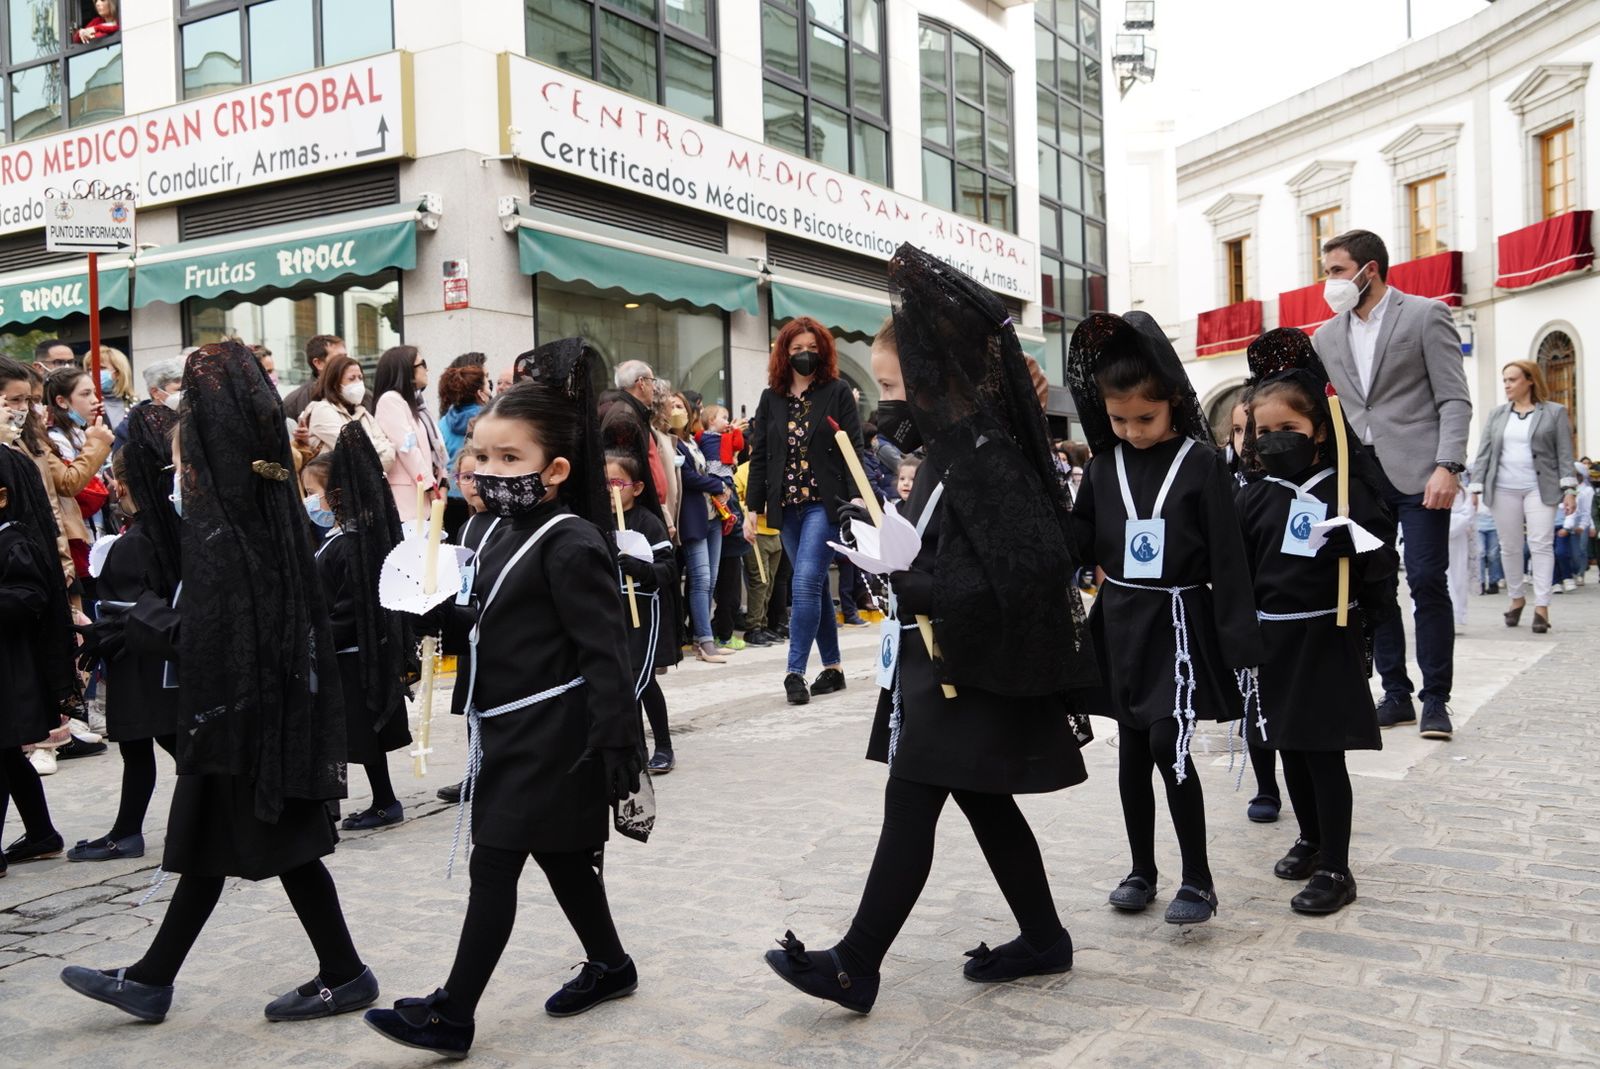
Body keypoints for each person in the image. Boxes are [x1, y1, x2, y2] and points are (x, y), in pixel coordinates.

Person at [764, 248, 1097, 1013]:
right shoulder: (948, 452)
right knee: (982, 801)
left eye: (891, 385)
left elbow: (1030, 562)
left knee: (913, 798)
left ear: (936, 374)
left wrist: (925, 583)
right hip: (945, 661)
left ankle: (856, 963)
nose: (882, 402)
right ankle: (1044, 936)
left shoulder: (985, 454)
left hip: (971, 664)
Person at [61, 341, 376, 1024]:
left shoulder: (232, 528)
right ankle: (152, 978)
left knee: (276, 843)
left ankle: (342, 972)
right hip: (248, 713)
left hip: (252, 717)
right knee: (216, 843)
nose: (179, 473)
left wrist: (147, 622)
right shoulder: (249, 511)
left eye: (183, 458)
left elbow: (230, 634)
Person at [365, 342, 644, 1058]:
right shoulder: (485, 529)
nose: (487, 472)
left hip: (557, 731)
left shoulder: (571, 540)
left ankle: (452, 1013)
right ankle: (611, 964)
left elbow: (607, 653)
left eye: (508, 459)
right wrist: (437, 616)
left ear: (555, 470)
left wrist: (617, 743)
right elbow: (487, 620)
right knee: (557, 858)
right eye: (480, 458)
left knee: (495, 863)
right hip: (505, 726)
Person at [1066, 311, 1261, 925]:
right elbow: (1078, 542)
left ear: (1173, 401)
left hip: (1177, 622)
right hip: (1120, 619)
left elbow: (1228, 559)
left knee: (1165, 744)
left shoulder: (1202, 463)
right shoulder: (1101, 467)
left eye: (1145, 418)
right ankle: (1141, 869)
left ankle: (1198, 878)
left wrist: (1240, 642)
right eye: (1119, 420)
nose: (1133, 431)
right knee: (1129, 752)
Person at [1234, 328, 1399, 914]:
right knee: (1289, 747)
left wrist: (1355, 543)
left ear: (1320, 431)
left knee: (1323, 752)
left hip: (1327, 635)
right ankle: (1309, 836)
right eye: (1266, 431)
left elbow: (1384, 560)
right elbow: (1238, 571)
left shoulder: (1346, 488)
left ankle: (1337, 866)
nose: (1276, 441)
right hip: (1273, 638)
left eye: (1290, 430)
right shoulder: (1254, 495)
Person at [1313, 229, 1471, 741]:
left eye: (1337, 270)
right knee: (1376, 585)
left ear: (1370, 269)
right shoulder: (1326, 336)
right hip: (1361, 476)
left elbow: (1453, 398)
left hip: (1422, 471)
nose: (1330, 282)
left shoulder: (1425, 314)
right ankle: (1396, 693)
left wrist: (1449, 465)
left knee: (1427, 581)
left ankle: (1436, 700)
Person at [66, 404, 182, 862]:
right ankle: (126, 829)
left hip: (141, 658)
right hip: (162, 655)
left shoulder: (136, 542)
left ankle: (132, 831)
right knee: (157, 745)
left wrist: (97, 636)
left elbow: (125, 609)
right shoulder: (172, 530)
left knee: (153, 746)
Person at [743, 316, 865, 705]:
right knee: (811, 585)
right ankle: (834, 668)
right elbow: (760, 455)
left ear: (823, 350)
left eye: (811, 348)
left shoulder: (838, 391)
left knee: (804, 581)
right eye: (796, 349)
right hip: (786, 507)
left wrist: (858, 496)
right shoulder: (771, 398)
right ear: (784, 353)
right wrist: (752, 508)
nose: (804, 355)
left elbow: (853, 447)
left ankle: (794, 671)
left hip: (825, 505)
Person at [302, 425, 417, 831]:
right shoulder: (337, 539)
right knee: (347, 737)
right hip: (337, 652)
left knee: (362, 739)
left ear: (334, 496)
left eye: (312, 492)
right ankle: (342, 803)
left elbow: (352, 609)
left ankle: (384, 802)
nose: (308, 502)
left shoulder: (352, 544)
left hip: (349, 656)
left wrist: (317, 637)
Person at [0, 445, 75, 873]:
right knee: (8, 755)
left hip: (11, 669)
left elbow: (29, 598)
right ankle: (42, 833)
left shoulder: (13, 541)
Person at [1469, 360, 1578, 637]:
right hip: (1503, 488)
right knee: (1509, 547)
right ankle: (1516, 598)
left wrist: (1570, 490)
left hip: (1540, 488)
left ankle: (1542, 606)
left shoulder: (1554, 413)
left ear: (1529, 380)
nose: (1507, 385)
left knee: (1541, 544)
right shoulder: (1497, 415)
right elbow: (1484, 453)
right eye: (1504, 380)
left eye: (1512, 379)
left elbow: (1564, 454)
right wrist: (1476, 487)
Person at [603, 411, 680, 775]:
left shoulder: (648, 523)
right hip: (613, 608)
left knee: (643, 677)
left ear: (636, 487)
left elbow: (668, 568)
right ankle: (634, 746)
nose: (612, 491)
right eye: (606, 484)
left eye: (619, 484)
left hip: (645, 610)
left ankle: (663, 745)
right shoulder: (598, 524)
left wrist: (641, 569)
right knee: (620, 678)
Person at [1224, 397, 1281, 824]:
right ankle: (1266, 785)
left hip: (1285, 609)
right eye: (1239, 431)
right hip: (1246, 611)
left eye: (1255, 431)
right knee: (1253, 697)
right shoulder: (1225, 483)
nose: (1248, 442)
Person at [0, 357, 74, 587]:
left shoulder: (24, 442)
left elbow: (47, 503)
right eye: (15, 400)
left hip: (37, 560)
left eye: (28, 400)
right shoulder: (8, 444)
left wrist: (63, 560)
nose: (23, 408)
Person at [669, 391, 730, 664]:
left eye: (680, 405)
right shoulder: (669, 443)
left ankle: (702, 639)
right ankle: (705, 641)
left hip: (712, 516)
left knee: (711, 580)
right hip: (692, 518)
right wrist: (718, 485)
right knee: (701, 579)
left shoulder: (692, 441)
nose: (676, 410)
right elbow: (688, 477)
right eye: (671, 406)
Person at [44, 366, 113, 587]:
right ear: (62, 402)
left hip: (98, 529)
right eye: (85, 394)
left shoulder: (85, 430)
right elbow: (75, 486)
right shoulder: (56, 438)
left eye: (94, 392)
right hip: (79, 537)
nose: (95, 400)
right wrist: (98, 445)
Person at [373, 345, 444, 525]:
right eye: (422, 364)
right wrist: (430, 485)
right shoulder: (390, 400)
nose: (427, 369)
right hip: (407, 499)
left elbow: (432, 446)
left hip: (423, 495)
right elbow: (407, 448)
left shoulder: (416, 403)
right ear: (406, 370)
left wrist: (442, 482)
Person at [304, 353, 396, 472]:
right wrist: (375, 449)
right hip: (337, 488)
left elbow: (389, 456)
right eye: (352, 378)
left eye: (360, 378)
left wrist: (368, 448)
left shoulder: (363, 412)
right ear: (335, 383)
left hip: (367, 488)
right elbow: (352, 450)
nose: (358, 383)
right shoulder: (323, 410)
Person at [734, 446, 783, 647]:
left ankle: (762, 625)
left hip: (775, 532)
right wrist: (754, 508)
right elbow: (734, 500)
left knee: (769, 582)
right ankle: (753, 628)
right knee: (760, 580)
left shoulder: (778, 469)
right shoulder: (744, 470)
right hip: (757, 532)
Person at [438, 362, 489, 540]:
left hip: (452, 492)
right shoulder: (488, 419)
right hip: (481, 494)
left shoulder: (444, 422)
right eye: (487, 381)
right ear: (479, 391)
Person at [113, 357, 184, 451]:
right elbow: (120, 463)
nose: (184, 394)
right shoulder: (131, 427)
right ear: (155, 392)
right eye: (178, 390)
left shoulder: (190, 417)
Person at [282, 335, 353, 421]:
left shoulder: (362, 395)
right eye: (338, 358)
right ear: (318, 363)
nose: (345, 362)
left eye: (345, 357)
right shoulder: (294, 403)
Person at [98, 347, 137, 431]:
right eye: (89, 369)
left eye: (102, 368)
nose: (93, 372)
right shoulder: (90, 403)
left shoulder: (134, 403)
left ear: (118, 373)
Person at [1476, 494, 1503, 595]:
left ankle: (1493, 582)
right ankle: (1480, 583)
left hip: (1494, 524)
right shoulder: (1473, 487)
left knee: (1493, 555)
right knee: (1480, 553)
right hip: (1477, 523)